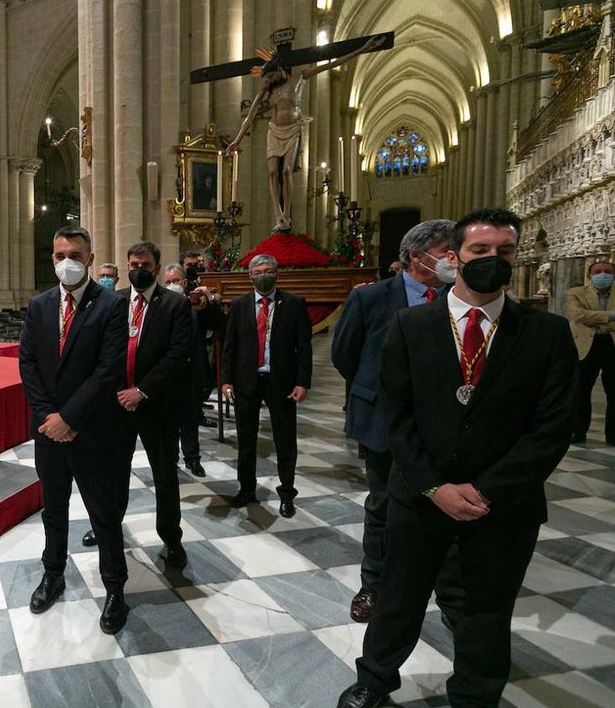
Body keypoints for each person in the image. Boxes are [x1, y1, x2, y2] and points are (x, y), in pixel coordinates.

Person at [338, 208, 578, 708]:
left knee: (486, 609)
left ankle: (474, 694)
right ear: (454, 257)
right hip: (422, 495)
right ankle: (375, 680)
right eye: (480, 251)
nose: (493, 260)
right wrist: (433, 486)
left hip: (502, 505)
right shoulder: (410, 325)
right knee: (399, 600)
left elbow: (552, 429)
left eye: (505, 252)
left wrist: (487, 489)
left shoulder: (545, 333)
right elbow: (397, 417)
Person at [331, 219, 465, 624]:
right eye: (446, 252)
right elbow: (345, 354)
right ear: (416, 256)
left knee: (444, 507)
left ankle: (450, 595)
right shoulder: (370, 298)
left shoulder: (458, 298)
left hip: (443, 425)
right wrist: (377, 393)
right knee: (383, 506)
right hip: (383, 422)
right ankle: (373, 584)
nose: (453, 260)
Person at [18, 225, 131, 634]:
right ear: (52, 257)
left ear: (89, 256)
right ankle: (53, 574)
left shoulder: (111, 306)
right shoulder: (40, 305)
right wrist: (50, 418)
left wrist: (69, 418)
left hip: (92, 430)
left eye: (75, 255)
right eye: (59, 254)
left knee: (103, 514)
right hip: (49, 432)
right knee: (54, 510)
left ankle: (115, 588)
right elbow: (27, 364)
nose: (67, 262)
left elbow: (108, 371)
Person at [229, 36, 384, 232]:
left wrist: (360, 50)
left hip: (292, 129)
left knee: (286, 171)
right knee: (272, 172)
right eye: (266, 80)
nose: (267, 82)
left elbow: (331, 64)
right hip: (274, 131)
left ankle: (286, 215)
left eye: (270, 78)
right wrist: (237, 140)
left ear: (278, 71)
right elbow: (250, 116)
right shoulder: (268, 89)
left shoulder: (299, 78)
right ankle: (278, 216)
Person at [109, 242, 193, 569]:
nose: (137, 269)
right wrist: (117, 392)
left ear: (156, 268)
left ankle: (171, 538)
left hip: (157, 405)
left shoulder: (174, 304)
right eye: (132, 263)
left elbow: (177, 356)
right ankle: (108, 527)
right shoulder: (113, 301)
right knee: (114, 473)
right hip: (118, 405)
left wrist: (141, 390)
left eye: (144, 264)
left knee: (164, 475)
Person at [221, 254, 311, 517]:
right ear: (250, 276)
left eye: (268, 270)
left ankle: (287, 493)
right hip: (246, 381)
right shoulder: (239, 305)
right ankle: (246, 489)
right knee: (246, 440)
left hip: (281, 381)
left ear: (277, 273)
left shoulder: (294, 304)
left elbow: (303, 348)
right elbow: (230, 347)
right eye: (258, 271)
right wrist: (226, 380)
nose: (263, 275)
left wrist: (302, 382)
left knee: (285, 439)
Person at [172, 250, 225, 476]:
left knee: (190, 419)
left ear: (183, 282)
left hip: (192, 369)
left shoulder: (197, 302)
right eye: (168, 282)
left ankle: (193, 459)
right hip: (165, 374)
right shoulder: (158, 304)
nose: (172, 284)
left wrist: (211, 301)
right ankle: (171, 458)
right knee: (169, 423)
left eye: (176, 280)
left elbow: (219, 324)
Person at [566, 260, 615, 445]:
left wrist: (593, 318)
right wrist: (611, 316)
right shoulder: (576, 293)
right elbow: (578, 314)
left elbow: (587, 316)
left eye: (608, 271)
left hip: (611, 344)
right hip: (586, 346)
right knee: (580, 391)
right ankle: (578, 431)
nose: (603, 275)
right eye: (598, 271)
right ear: (589, 275)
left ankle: (613, 434)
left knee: (614, 391)